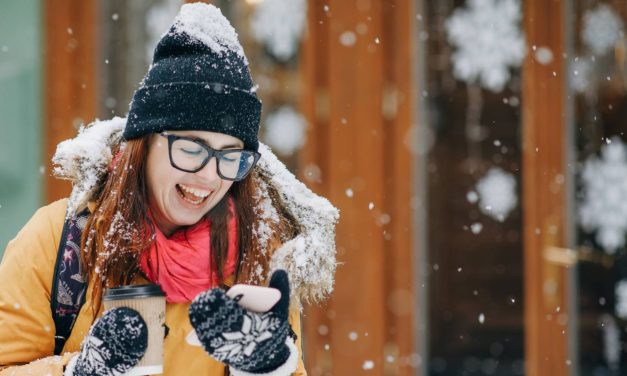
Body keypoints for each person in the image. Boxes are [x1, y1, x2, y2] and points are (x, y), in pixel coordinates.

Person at [0, 3, 339, 375]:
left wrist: (267, 368)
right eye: (191, 149)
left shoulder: (259, 254)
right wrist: (81, 371)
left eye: (230, 157)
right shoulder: (60, 244)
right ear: (143, 146)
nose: (210, 177)